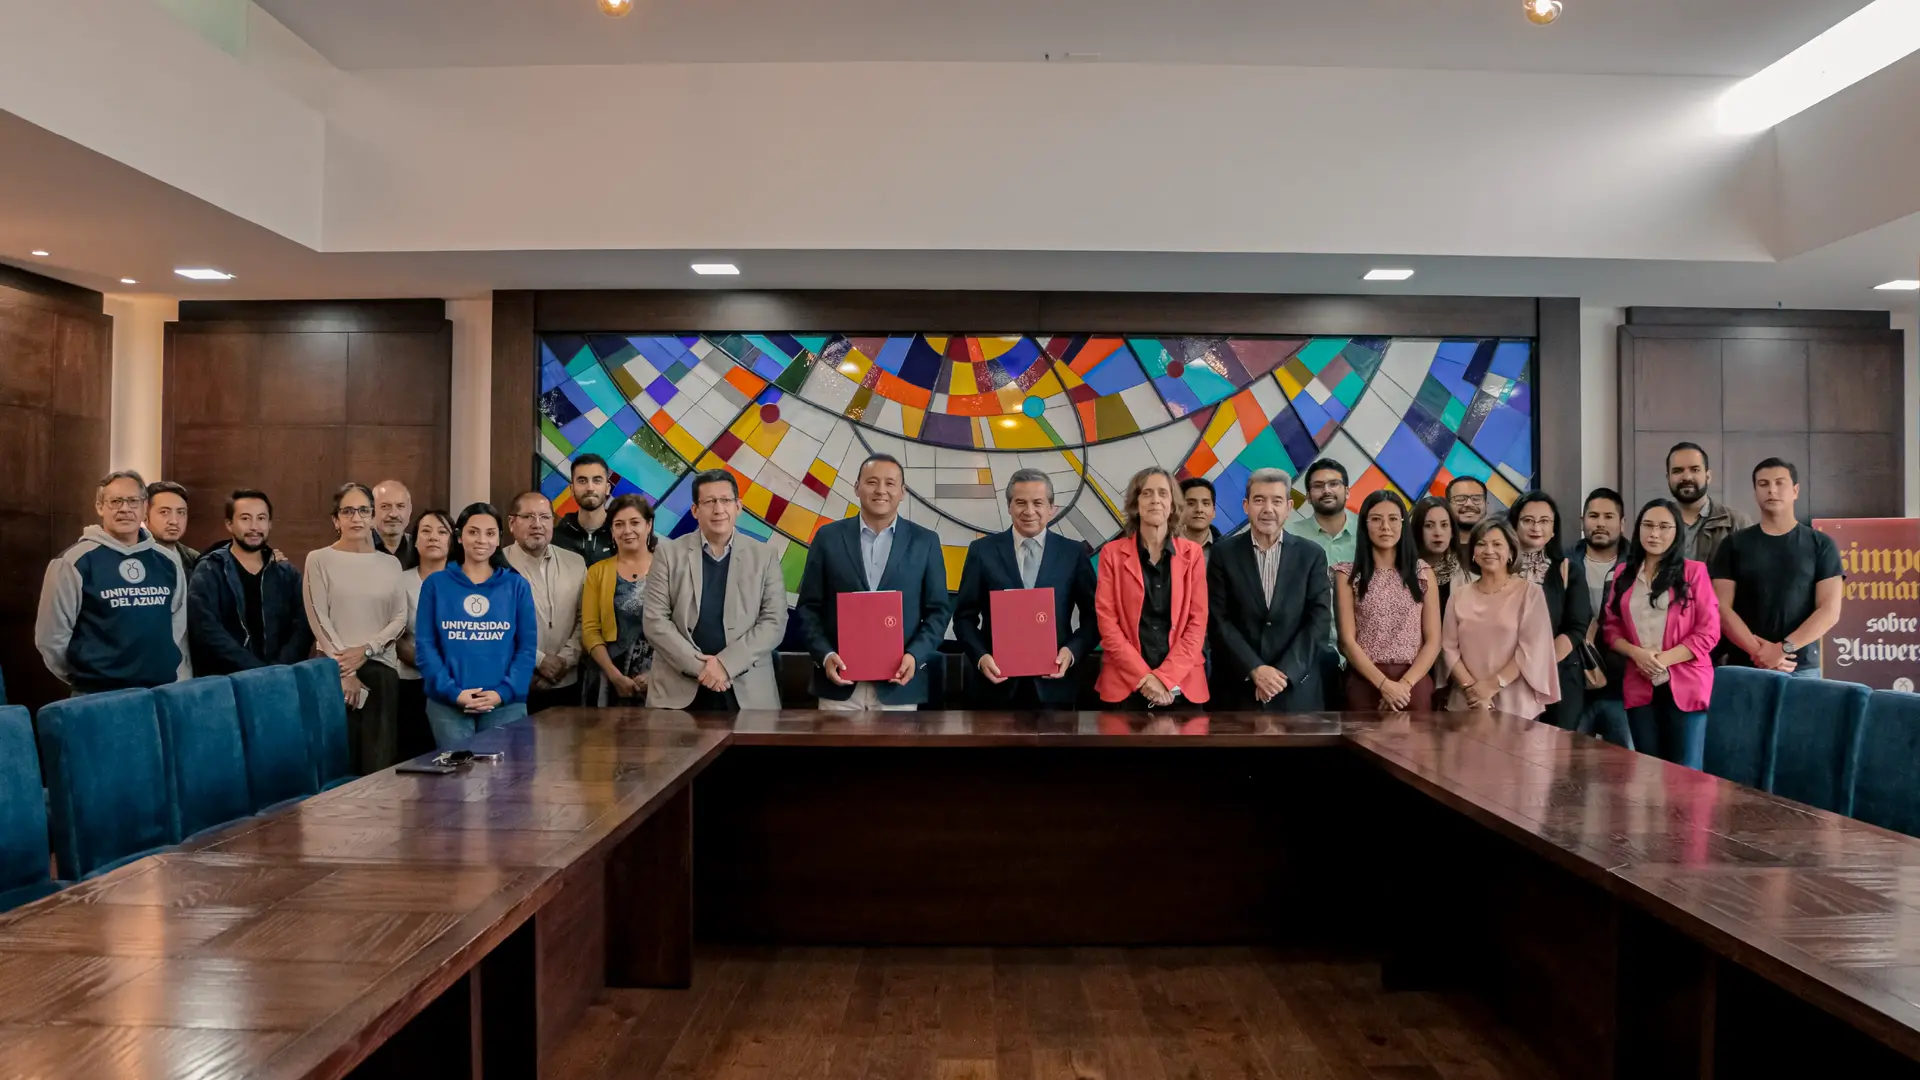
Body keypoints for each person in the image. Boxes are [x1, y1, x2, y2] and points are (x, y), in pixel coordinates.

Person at [796, 454, 952, 710]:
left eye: (890, 483)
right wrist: (824, 655)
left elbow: (938, 612)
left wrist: (914, 655)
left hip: (899, 686)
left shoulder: (925, 542)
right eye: (872, 482)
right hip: (838, 686)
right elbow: (809, 607)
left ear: (902, 492)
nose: (881, 490)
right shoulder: (827, 537)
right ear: (857, 487)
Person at [642, 471, 790, 710]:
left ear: (738, 506)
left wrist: (725, 665)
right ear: (695, 511)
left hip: (747, 690)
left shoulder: (765, 556)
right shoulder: (668, 554)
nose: (718, 509)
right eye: (709, 502)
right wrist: (703, 668)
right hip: (679, 689)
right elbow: (654, 622)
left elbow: (774, 622)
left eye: (725, 500)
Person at [953, 468, 1099, 707]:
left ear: (1052, 509)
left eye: (1038, 503)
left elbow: (1094, 619)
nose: (1029, 511)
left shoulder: (1073, 554)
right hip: (994, 687)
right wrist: (981, 657)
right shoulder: (982, 552)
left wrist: (1071, 652)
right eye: (1020, 502)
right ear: (1009, 507)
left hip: (1055, 687)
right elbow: (963, 618)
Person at [35, 470, 190, 693]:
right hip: (97, 695)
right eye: (116, 501)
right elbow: (51, 638)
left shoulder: (167, 561)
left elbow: (175, 625)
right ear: (100, 507)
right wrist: (88, 674)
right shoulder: (73, 562)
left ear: (144, 507)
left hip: (157, 691)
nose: (125, 509)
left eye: (133, 501)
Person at [1603, 499, 1721, 768]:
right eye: (1648, 525)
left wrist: (1662, 660)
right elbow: (1611, 627)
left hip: (1686, 682)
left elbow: (1709, 631)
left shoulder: (1694, 572)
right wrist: (1637, 654)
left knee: (1685, 773)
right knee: (1648, 771)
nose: (1654, 533)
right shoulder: (1624, 573)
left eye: (1664, 527)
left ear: (1677, 532)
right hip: (1640, 681)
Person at [303, 482, 409, 774]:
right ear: (335, 519)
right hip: (332, 674)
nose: (357, 518)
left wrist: (367, 649)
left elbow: (399, 619)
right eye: (348, 511)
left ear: (373, 516)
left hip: (381, 672)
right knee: (336, 766)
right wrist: (345, 671)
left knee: (379, 766)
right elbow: (317, 617)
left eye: (364, 510)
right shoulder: (319, 559)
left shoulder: (390, 564)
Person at [415, 502, 539, 748]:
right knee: (455, 782)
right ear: (459, 537)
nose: (481, 539)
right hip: (448, 705)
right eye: (473, 532)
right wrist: (455, 694)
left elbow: (526, 649)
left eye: (490, 533)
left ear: (498, 540)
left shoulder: (516, 586)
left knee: (504, 783)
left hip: (505, 704)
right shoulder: (436, 584)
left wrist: (501, 693)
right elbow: (425, 647)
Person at [1712, 459, 1844, 678]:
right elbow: (1721, 608)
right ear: (1755, 492)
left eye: (1779, 483)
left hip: (1800, 668)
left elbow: (1829, 610)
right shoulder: (1733, 544)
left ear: (1795, 490)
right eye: (1763, 484)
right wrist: (1759, 653)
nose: (1771, 490)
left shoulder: (1821, 544)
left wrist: (1783, 649)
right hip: (1745, 666)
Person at [1096, 467, 1210, 708]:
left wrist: (1164, 678)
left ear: (1172, 505)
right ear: (1136, 504)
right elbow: (1107, 623)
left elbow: (1197, 623)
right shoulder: (1112, 554)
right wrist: (1146, 679)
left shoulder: (1193, 554)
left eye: (1163, 493)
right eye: (1147, 493)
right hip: (1125, 685)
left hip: (1183, 685)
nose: (1155, 500)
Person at [1441, 518, 1559, 719]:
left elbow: (1531, 648)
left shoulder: (1530, 593)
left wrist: (1492, 686)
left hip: (1516, 705)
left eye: (1497, 544)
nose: (1488, 550)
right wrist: (1472, 690)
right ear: (1472, 552)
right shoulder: (1458, 595)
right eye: (1481, 544)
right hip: (1466, 702)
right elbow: (1448, 648)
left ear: (1511, 552)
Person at [187, 489, 312, 675]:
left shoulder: (286, 573)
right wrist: (255, 671)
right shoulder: (209, 570)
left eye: (261, 518)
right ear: (229, 524)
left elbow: (303, 626)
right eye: (245, 518)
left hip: (280, 678)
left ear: (269, 524)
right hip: (225, 682)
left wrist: (278, 669)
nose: (254, 526)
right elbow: (206, 630)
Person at [1334, 491, 1439, 711]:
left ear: (1403, 524)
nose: (1385, 526)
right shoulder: (1347, 574)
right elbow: (1346, 642)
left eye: (1393, 518)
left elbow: (1433, 640)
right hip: (1365, 680)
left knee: (1417, 745)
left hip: (1413, 682)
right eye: (1376, 519)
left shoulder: (1422, 572)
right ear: (1364, 524)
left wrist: (1404, 685)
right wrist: (1384, 685)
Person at [1508, 492, 1590, 731]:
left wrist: (1540, 663)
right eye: (1528, 520)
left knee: (1556, 757)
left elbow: (1576, 627)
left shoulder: (1567, 569)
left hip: (1558, 674)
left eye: (1545, 521)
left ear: (1554, 528)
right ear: (1514, 525)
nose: (1536, 527)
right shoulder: (1498, 568)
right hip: (1509, 677)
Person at [1285, 458, 1359, 707]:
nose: (1326, 490)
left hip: (1364, 655)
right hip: (1307, 653)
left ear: (1347, 490)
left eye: (1334, 484)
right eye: (1318, 486)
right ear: (1308, 496)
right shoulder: (1289, 536)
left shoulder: (1368, 533)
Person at [504, 492, 586, 712]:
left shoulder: (576, 563)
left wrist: (564, 661)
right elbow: (497, 627)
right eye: (528, 517)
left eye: (545, 517)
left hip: (566, 681)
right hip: (515, 683)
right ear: (512, 523)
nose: (537, 524)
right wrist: (538, 662)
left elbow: (585, 620)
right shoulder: (496, 566)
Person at [582, 495, 657, 706]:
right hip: (608, 676)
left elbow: (680, 627)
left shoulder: (667, 567)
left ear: (648, 525)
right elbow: (590, 630)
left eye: (635, 523)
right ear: (612, 530)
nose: (627, 530)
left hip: (660, 677)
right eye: (619, 524)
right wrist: (614, 676)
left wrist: (655, 674)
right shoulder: (597, 572)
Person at [1573, 488, 1632, 746]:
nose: (1600, 523)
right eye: (1593, 516)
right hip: (1575, 685)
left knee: (1628, 767)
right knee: (1568, 766)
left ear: (1622, 523)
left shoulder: (1640, 565)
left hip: (1624, 685)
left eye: (1609, 516)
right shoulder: (1564, 563)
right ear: (1582, 521)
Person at [393, 510, 453, 760]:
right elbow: (395, 636)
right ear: (415, 540)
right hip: (412, 683)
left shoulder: (466, 580)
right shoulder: (399, 580)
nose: (433, 537)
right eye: (425, 531)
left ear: (453, 541)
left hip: (455, 684)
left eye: (442, 532)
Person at [1666, 442, 1750, 568]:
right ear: (1668, 478)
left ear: (1708, 476)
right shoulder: (1653, 522)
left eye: (1695, 470)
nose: (1687, 477)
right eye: (1678, 471)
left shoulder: (1736, 522)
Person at [553, 453, 617, 565]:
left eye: (597, 480)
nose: (590, 488)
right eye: (582, 481)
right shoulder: (556, 537)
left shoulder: (621, 534)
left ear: (607, 488)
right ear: (572, 489)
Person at [1411, 496, 1465, 615]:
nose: (1438, 533)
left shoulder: (1465, 571)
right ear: (1418, 530)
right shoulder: (1406, 571)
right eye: (1429, 525)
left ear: (1452, 532)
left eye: (1444, 525)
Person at [145, 480, 201, 578]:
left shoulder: (195, 559)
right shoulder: (132, 558)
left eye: (181, 512)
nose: (174, 521)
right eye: (164, 512)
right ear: (145, 516)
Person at [371, 479, 419, 570]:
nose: (394, 514)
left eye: (400, 506)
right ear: (372, 511)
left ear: (410, 510)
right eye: (385, 506)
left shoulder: (418, 549)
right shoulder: (359, 549)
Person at [1446, 475, 1489, 567]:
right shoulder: (1437, 548)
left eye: (1476, 499)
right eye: (1460, 499)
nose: (1469, 504)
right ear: (1447, 505)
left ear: (1486, 504)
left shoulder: (1501, 548)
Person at [1177, 477, 1220, 558]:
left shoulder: (1228, 551)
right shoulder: (1162, 548)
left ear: (1214, 511)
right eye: (1191, 503)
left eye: (1205, 503)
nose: (1199, 509)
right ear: (1179, 509)